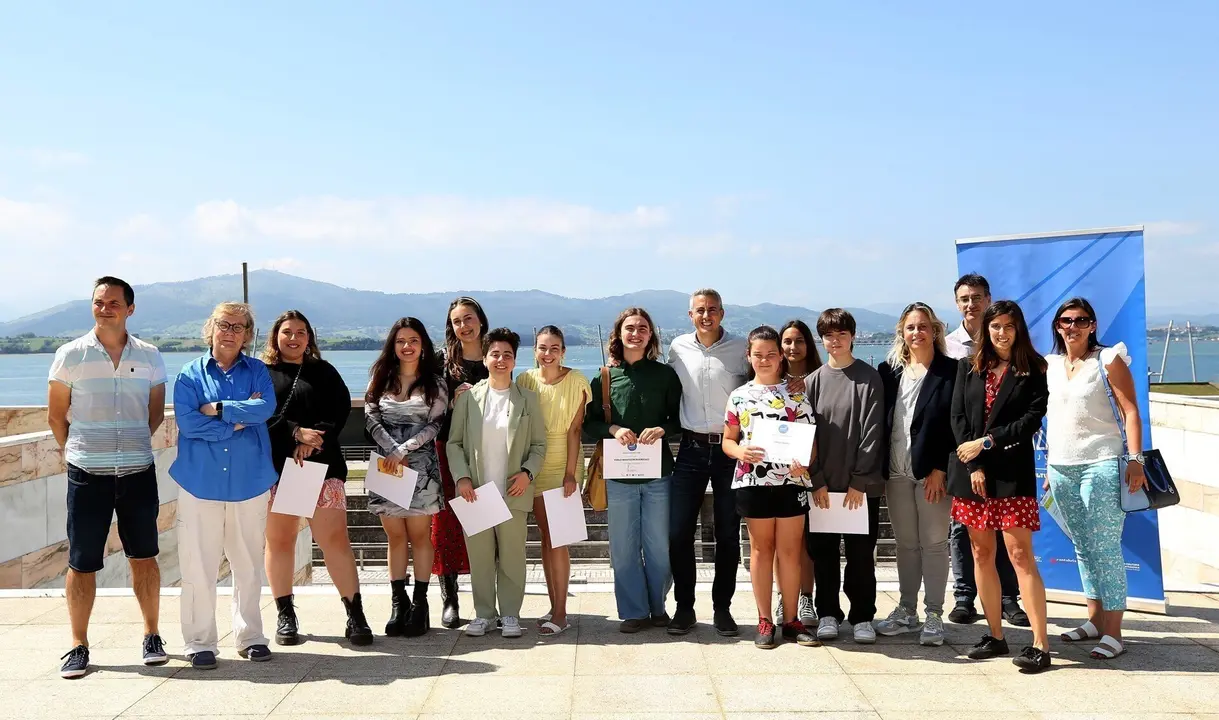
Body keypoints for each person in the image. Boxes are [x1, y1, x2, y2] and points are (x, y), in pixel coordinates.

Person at [48, 277, 169, 678]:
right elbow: (55, 415)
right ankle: (78, 644)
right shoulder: (71, 354)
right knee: (82, 562)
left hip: (137, 472)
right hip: (87, 475)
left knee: (145, 558)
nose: (105, 308)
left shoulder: (150, 356)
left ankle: (152, 635)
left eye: (114, 302)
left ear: (129, 309)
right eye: (99, 302)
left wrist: (129, 446)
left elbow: (154, 414)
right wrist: (80, 453)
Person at [171, 302, 278, 669]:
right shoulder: (188, 375)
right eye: (223, 325)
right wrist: (236, 420)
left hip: (249, 481)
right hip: (200, 482)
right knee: (198, 564)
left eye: (238, 326)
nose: (230, 332)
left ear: (248, 334)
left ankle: (250, 637)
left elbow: (265, 408)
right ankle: (199, 642)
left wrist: (217, 407)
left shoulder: (259, 371)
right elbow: (188, 424)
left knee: (247, 564)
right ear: (211, 329)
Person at [949, 300, 1052, 672]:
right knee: (980, 553)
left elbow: (1030, 421)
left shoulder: (1033, 369)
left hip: (1011, 475)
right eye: (995, 327)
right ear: (985, 330)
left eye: (1008, 326)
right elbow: (958, 419)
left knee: (1020, 555)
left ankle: (1040, 644)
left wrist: (987, 443)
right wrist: (974, 461)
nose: (1001, 333)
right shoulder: (968, 368)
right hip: (970, 473)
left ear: (1019, 328)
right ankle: (995, 636)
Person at [264, 310, 372, 646]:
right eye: (287, 332)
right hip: (282, 469)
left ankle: (355, 615)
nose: (293, 338)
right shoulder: (261, 373)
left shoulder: (324, 372)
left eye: (300, 332)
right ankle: (285, 614)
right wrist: (296, 433)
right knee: (280, 542)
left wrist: (314, 439)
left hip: (319, 468)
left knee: (334, 541)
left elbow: (338, 411)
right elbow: (258, 415)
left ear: (310, 337)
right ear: (275, 336)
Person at [1045, 297, 1146, 659]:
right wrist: (1050, 465)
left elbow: (1131, 410)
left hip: (1102, 463)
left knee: (1105, 549)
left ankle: (1115, 632)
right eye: (1066, 320)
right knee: (1083, 548)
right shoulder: (1050, 365)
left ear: (1092, 325)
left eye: (1081, 320)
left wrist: (1135, 459)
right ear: (1057, 326)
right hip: (1060, 467)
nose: (1072, 326)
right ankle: (1094, 620)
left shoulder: (1108, 358)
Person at [585, 307, 683, 633]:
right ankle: (634, 611)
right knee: (623, 548)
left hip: (658, 475)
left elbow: (678, 420)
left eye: (642, 328)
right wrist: (612, 430)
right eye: (629, 328)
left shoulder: (665, 375)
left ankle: (658, 608)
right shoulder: (604, 378)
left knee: (659, 548)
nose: (636, 333)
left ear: (651, 336)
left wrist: (662, 430)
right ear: (619, 334)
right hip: (619, 475)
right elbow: (590, 422)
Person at [723, 326, 819, 649]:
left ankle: (791, 619)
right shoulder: (738, 396)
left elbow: (812, 444)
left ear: (781, 357)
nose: (764, 360)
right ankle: (765, 620)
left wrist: (804, 462)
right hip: (754, 483)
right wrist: (740, 452)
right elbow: (728, 440)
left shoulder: (797, 395)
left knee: (791, 553)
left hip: (792, 483)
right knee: (761, 552)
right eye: (758, 355)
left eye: (771, 354)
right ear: (749, 357)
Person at [447, 328, 546, 638]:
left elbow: (539, 446)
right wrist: (462, 477)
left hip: (513, 492)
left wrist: (527, 472)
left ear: (514, 361)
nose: (501, 359)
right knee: (480, 557)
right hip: (476, 491)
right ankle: (484, 614)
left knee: (513, 556)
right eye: (495, 354)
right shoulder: (468, 399)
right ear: (486, 358)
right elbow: (454, 444)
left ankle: (510, 614)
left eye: (507, 355)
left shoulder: (528, 399)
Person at [944, 273, 1027, 627]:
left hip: (1004, 456)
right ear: (956, 303)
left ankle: (1009, 598)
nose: (970, 304)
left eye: (977, 297)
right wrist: (970, 455)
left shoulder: (1011, 345)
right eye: (964, 298)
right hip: (962, 452)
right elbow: (954, 409)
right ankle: (965, 596)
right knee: (964, 530)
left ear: (988, 298)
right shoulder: (948, 346)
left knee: (1005, 531)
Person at [665, 289, 748, 636]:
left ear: (722, 313)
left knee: (728, 535)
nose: (706, 316)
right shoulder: (677, 349)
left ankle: (722, 609)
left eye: (712, 310)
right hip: (690, 449)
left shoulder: (741, 349)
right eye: (700, 310)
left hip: (730, 450)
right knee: (679, 532)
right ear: (690, 315)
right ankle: (684, 609)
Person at [875, 303, 957, 647]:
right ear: (902, 333)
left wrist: (941, 468)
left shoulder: (952, 371)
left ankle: (935, 614)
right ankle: (907, 610)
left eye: (923, 327)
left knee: (934, 544)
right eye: (910, 328)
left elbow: (957, 426)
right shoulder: (888, 371)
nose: (917, 333)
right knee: (906, 545)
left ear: (934, 331)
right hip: (896, 472)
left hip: (931, 473)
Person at [805, 308, 884, 644]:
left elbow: (873, 431)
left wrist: (859, 480)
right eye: (828, 335)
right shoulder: (812, 382)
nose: (835, 341)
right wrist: (817, 479)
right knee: (822, 554)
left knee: (861, 555)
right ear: (821, 340)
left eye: (841, 334)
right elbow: (805, 436)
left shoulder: (870, 378)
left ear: (853, 336)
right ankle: (827, 613)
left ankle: (863, 615)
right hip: (822, 487)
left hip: (859, 488)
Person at [365, 317, 448, 637]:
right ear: (393, 345)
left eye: (413, 340)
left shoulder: (435, 383)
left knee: (420, 536)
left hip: (421, 468)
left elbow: (435, 424)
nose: (407, 346)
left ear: (422, 344)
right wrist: (392, 449)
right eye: (401, 341)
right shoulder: (380, 378)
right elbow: (371, 418)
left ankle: (420, 604)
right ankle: (398, 604)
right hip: (387, 465)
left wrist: (406, 448)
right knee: (395, 536)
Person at [515, 326, 591, 636]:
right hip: (533, 464)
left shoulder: (578, 383)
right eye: (543, 348)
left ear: (563, 351)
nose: (548, 354)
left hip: (563, 463)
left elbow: (575, 432)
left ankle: (561, 613)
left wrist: (571, 474)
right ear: (534, 350)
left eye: (555, 348)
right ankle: (553, 604)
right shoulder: (525, 380)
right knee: (546, 537)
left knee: (558, 539)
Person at [432, 296, 489, 628]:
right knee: (446, 523)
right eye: (457, 321)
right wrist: (453, 404)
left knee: (488, 519)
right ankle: (449, 598)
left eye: (468, 318)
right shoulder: (441, 362)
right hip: (448, 448)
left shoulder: (496, 354)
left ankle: (488, 597)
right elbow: (428, 409)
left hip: (489, 449)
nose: (464, 326)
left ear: (480, 319)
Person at [776, 319, 823, 626]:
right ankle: (784, 597)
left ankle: (806, 597)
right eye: (787, 342)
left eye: (799, 341)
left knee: (809, 542)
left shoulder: (820, 380)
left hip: (815, 471)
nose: (793, 347)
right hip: (778, 474)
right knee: (784, 543)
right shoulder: (769, 380)